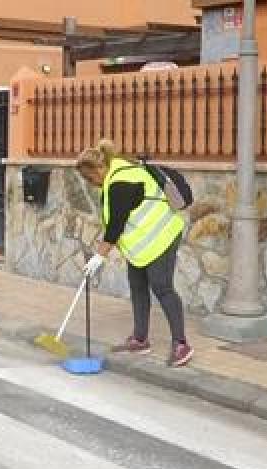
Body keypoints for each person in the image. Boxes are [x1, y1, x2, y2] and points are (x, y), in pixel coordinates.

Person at [76, 138, 193, 367]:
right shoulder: (117, 176)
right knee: (138, 285)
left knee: (162, 287)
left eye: (91, 178)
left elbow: (115, 225)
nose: (92, 184)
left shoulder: (121, 181)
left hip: (163, 234)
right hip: (142, 242)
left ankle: (181, 344)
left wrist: (100, 256)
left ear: (100, 168)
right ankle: (140, 339)